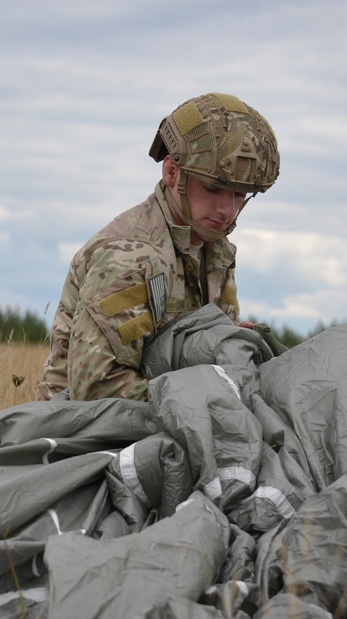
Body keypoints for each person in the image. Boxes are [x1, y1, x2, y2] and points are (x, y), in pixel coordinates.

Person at [36, 92, 280, 402]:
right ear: (171, 172)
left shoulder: (213, 249)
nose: (227, 209)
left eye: (241, 194)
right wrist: (203, 401)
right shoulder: (132, 258)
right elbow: (96, 389)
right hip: (81, 436)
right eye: (214, 188)